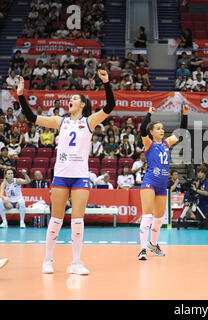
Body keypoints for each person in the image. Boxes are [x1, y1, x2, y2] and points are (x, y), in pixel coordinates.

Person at [17, 69, 116, 275]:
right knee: (56, 219)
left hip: (80, 176)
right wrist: (20, 95)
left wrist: (106, 83)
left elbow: (109, 106)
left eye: (74, 98)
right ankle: (47, 259)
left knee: (78, 220)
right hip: (61, 175)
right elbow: (30, 117)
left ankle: (76, 262)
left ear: (82, 105)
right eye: (70, 98)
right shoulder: (59, 121)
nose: (70, 100)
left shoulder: (88, 122)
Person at [137, 103, 190, 261]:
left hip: (161, 184)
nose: (162, 130)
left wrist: (185, 114)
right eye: (158, 128)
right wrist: (149, 114)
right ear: (151, 132)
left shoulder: (166, 143)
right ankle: (142, 250)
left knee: (159, 219)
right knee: (147, 216)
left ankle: (153, 244)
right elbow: (141, 130)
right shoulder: (149, 144)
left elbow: (181, 133)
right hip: (149, 181)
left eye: (162, 128)